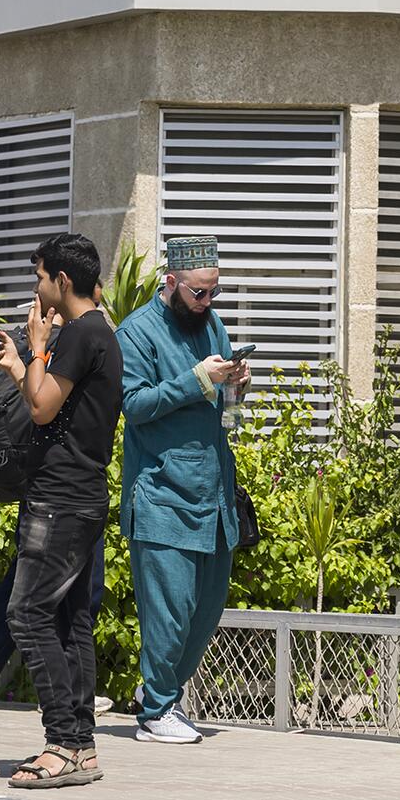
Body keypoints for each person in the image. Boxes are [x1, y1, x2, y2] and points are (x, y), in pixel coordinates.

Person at [0, 234, 125, 787]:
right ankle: (81, 745)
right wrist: (20, 363)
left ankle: (62, 740)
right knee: (68, 619)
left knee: (27, 614)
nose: (36, 289)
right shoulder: (98, 332)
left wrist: (37, 345)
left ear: (63, 281)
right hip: (79, 493)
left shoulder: (79, 334)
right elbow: (56, 405)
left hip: (59, 499)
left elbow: (39, 411)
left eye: (40, 277)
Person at [118, 235, 248, 746]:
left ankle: (163, 700)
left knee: (205, 610)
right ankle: (156, 710)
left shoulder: (210, 324)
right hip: (162, 495)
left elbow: (228, 416)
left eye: (214, 292)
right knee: (169, 611)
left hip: (213, 494)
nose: (207, 303)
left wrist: (237, 387)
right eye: (198, 293)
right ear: (170, 283)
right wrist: (195, 380)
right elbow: (132, 405)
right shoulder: (137, 332)